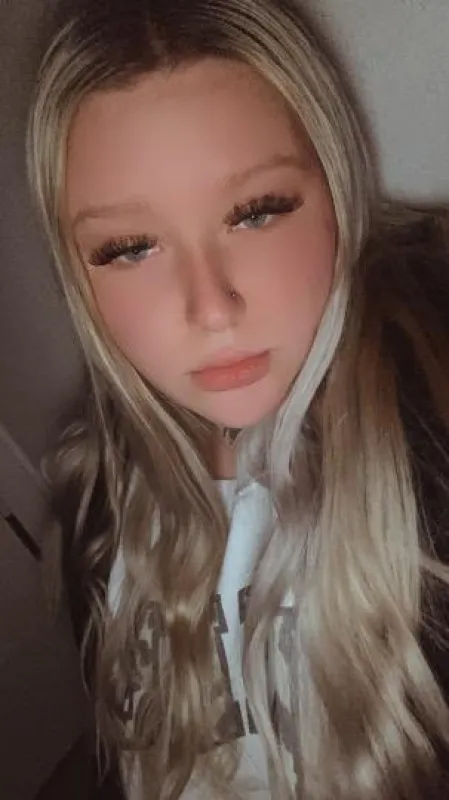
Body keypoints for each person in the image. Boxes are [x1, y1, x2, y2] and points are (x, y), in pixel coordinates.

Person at [27, 0, 449, 798]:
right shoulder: (95, 493)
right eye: (130, 247)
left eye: (256, 213)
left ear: (336, 185)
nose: (211, 307)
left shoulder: (428, 427)